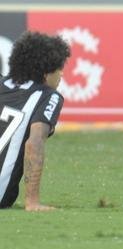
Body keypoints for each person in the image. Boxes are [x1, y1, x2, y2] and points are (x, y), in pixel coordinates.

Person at [0, 31, 70, 211]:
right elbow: (34, 142)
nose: (61, 74)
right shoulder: (49, 96)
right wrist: (32, 202)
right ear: (46, 73)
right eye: (59, 68)